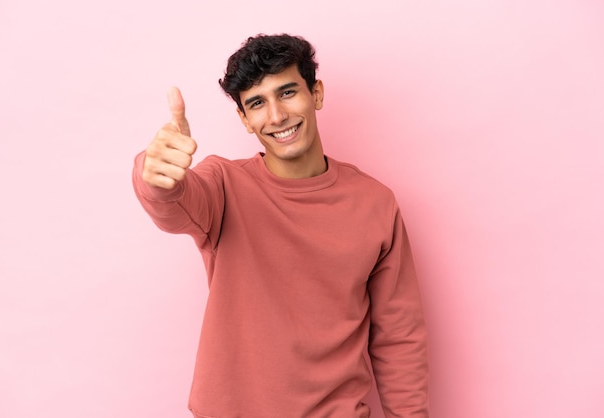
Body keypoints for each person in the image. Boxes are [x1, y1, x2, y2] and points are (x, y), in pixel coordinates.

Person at [132, 33, 429, 418]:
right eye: (257, 103)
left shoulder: (376, 203)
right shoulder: (222, 185)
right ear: (244, 119)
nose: (276, 116)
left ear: (316, 94)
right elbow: (174, 205)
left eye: (287, 93)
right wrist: (155, 177)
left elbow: (399, 337)